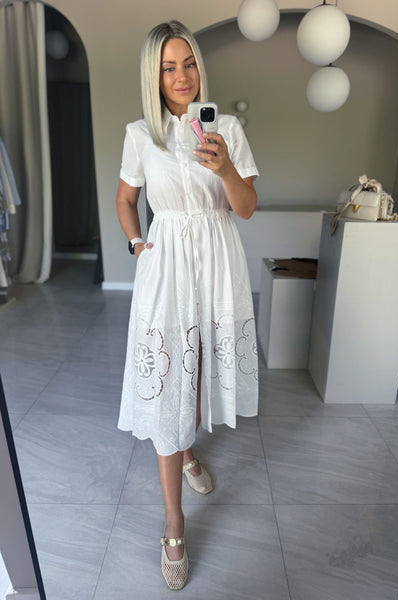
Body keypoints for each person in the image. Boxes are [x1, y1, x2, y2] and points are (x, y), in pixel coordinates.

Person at [116, 20, 259, 590]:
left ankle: (188, 449)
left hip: (218, 260)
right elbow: (126, 199)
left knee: (199, 372)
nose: (182, 76)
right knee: (169, 380)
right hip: (167, 264)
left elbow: (245, 208)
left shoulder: (227, 128)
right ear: (153, 75)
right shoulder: (139, 135)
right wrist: (136, 242)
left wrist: (225, 167)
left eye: (189, 63)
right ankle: (174, 523)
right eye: (169, 67)